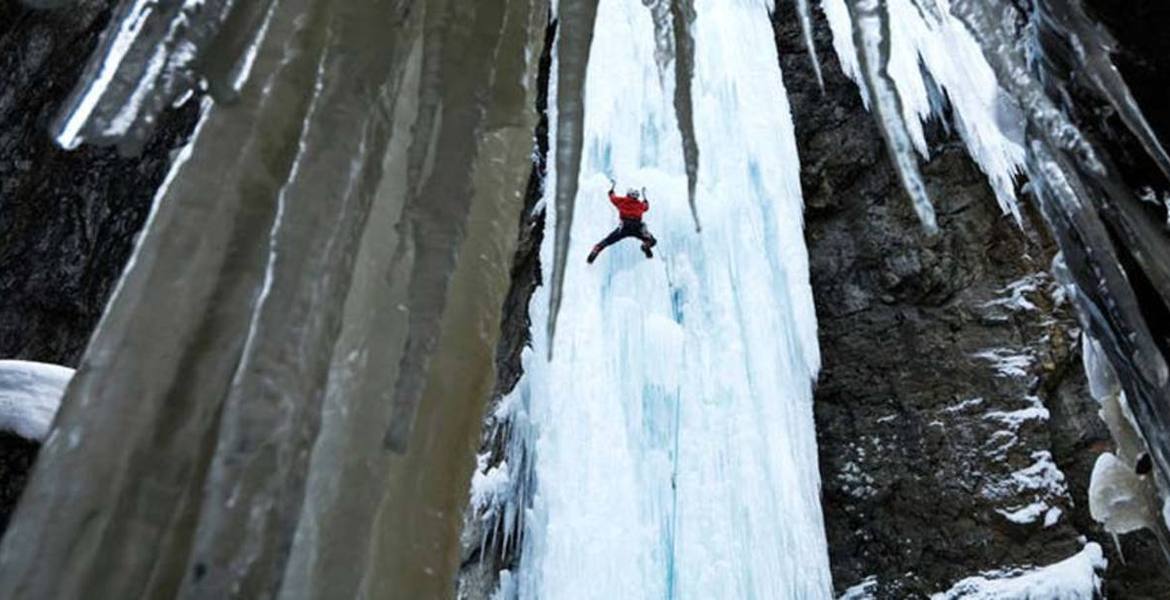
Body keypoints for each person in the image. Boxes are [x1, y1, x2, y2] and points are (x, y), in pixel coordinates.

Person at [587, 180, 658, 264]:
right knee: (652, 240)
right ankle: (646, 246)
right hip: (637, 227)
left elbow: (612, 198)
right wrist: (645, 201)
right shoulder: (640, 204)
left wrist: (611, 191)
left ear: (628, 194)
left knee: (608, 240)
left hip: (625, 226)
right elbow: (646, 207)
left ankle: (597, 249)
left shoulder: (621, 201)